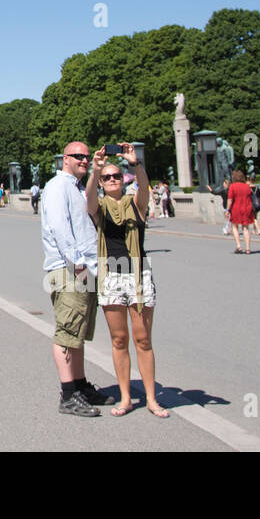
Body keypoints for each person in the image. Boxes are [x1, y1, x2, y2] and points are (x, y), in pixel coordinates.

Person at [86, 144, 167, 418]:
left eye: (116, 176)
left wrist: (136, 164)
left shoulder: (137, 204)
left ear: (124, 180)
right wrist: (95, 168)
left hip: (138, 274)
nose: (111, 180)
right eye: (106, 177)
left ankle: (153, 399)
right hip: (112, 276)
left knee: (143, 339)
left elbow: (144, 188)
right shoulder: (99, 207)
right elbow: (88, 198)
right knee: (119, 340)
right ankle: (125, 397)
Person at [41, 141, 110, 416]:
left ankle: (80, 385)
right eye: (77, 156)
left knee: (78, 332)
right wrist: (78, 266)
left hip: (84, 268)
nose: (83, 159)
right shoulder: (58, 187)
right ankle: (68, 394)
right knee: (67, 332)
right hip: (70, 269)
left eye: (85, 155)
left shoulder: (77, 187)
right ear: (64, 159)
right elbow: (60, 228)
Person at [224, 169, 256, 254]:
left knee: (235, 227)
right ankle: (248, 248)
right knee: (246, 228)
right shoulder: (246, 186)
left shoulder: (232, 186)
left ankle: (239, 246)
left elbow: (230, 200)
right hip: (247, 208)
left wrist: (227, 210)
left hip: (236, 208)